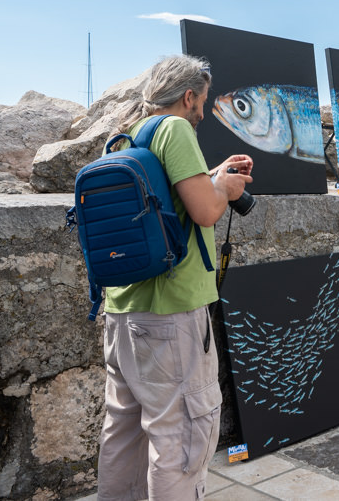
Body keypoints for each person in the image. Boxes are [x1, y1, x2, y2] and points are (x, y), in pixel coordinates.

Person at [97, 55, 254, 500]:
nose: (202, 114)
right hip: (172, 316)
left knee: (123, 435)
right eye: (202, 103)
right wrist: (223, 188)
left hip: (122, 313)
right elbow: (205, 211)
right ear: (188, 96)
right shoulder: (176, 129)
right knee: (181, 438)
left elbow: (170, 204)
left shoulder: (128, 138)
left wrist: (212, 177)